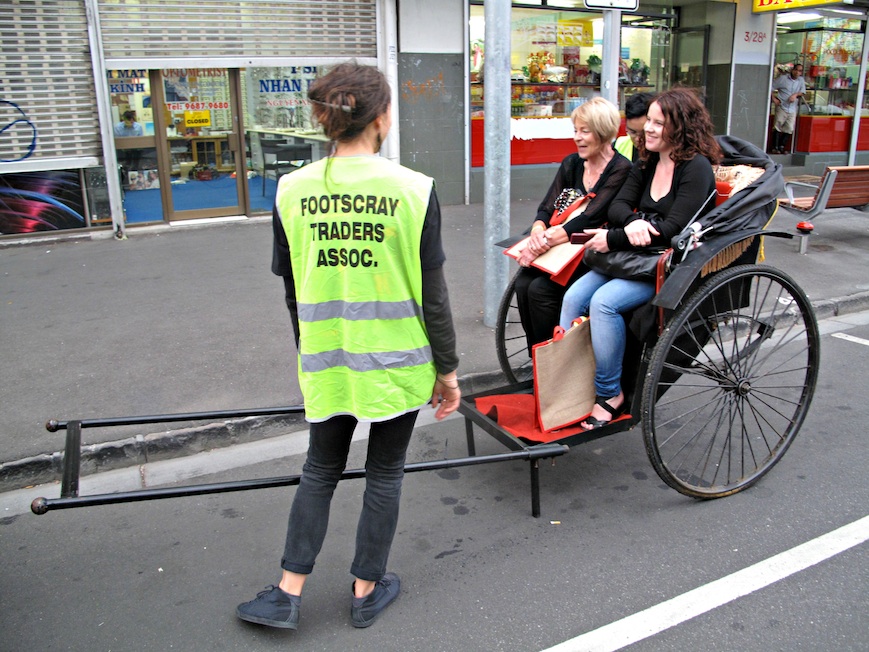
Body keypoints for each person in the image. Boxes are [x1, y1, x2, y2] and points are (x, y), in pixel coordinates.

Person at [237, 62, 460, 631]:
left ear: (327, 119)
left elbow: (292, 288)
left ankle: (287, 591)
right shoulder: (414, 189)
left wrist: (306, 348)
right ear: (381, 117)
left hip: (327, 358)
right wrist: (448, 370)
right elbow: (434, 297)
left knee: (320, 468)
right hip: (399, 362)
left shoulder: (291, 189)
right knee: (384, 473)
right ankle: (366, 589)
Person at [559, 88, 721, 431]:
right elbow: (618, 206)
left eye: (658, 123)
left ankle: (609, 394)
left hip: (664, 264)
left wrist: (618, 236)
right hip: (631, 254)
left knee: (603, 303)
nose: (648, 128)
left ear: (681, 127)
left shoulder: (696, 168)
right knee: (573, 297)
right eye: (649, 120)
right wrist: (633, 223)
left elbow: (673, 229)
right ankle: (570, 385)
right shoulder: (647, 161)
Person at [513, 97, 632, 353]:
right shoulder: (572, 163)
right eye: (575, 130)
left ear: (602, 132)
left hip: (592, 250)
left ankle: (555, 358)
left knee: (541, 290)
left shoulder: (621, 169)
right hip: (558, 246)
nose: (577, 138)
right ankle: (538, 356)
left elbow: (591, 216)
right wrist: (537, 231)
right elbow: (548, 206)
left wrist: (542, 243)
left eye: (584, 131)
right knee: (522, 284)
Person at [770, 63, 805, 154]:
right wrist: (774, 99)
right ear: (792, 70)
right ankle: (775, 147)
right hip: (782, 106)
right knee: (777, 125)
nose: (797, 72)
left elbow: (802, 91)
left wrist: (795, 95)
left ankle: (782, 146)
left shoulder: (801, 80)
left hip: (792, 108)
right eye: (796, 70)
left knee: (789, 128)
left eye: (799, 71)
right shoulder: (783, 79)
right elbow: (771, 87)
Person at [614, 92, 655, 162]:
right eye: (633, 132)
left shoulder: (666, 154)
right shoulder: (619, 145)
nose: (638, 139)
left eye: (644, 133)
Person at [114, 110, 144, 186]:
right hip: (123, 150)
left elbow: (141, 139)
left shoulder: (138, 127)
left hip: (136, 150)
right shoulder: (118, 127)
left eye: (132, 120)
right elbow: (117, 141)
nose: (131, 122)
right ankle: (125, 181)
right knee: (125, 165)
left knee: (136, 165)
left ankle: (135, 182)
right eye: (129, 121)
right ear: (124, 120)